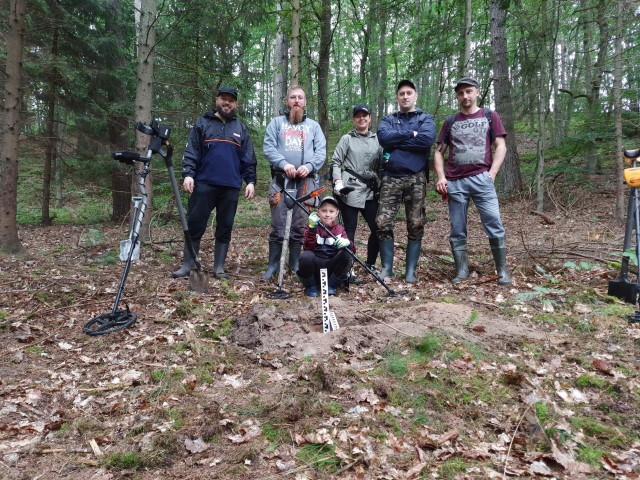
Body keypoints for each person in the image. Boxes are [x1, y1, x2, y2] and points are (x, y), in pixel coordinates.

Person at [172, 86, 257, 280]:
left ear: (235, 104)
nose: (227, 103)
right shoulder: (202, 124)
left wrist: (250, 181)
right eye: (223, 99)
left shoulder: (240, 128)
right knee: (195, 223)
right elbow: (192, 151)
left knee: (225, 226)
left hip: (231, 186)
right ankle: (188, 264)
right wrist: (188, 174)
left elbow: (248, 157)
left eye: (231, 100)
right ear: (217, 100)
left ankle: (219, 268)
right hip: (204, 183)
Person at [434, 77, 512, 285]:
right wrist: (441, 177)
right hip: (456, 182)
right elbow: (439, 152)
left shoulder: (489, 116)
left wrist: (492, 173)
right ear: (457, 97)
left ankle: (502, 271)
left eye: (469, 91)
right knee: (457, 227)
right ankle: (461, 270)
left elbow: (501, 146)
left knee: (493, 222)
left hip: (482, 179)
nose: (465, 96)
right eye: (460, 93)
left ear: (477, 92)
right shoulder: (450, 122)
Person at [261, 85, 327, 281]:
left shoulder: (314, 126)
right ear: (287, 101)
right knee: (278, 224)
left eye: (300, 97)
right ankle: (273, 265)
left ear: (305, 102)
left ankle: (295, 263)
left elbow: (321, 151)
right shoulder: (276, 123)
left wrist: (310, 165)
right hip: (282, 180)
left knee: (300, 224)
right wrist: (283, 164)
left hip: (306, 182)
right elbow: (269, 147)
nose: (296, 101)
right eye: (293, 97)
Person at [376, 80, 436, 283]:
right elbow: (384, 138)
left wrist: (398, 141)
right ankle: (386, 268)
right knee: (382, 223)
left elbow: (426, 141)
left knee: (416, 223)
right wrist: (410, 134)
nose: (405, 96)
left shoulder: (425, 119)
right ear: (397, 97)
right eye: (402, 93)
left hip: (416, 178)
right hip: (391, 177)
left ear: (415, 95)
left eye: (409, 93)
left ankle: (410, 271)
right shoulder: (388, 119)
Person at [330, 104, 382, 274]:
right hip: (350, 189)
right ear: (354, 119)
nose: (361, 118)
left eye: (364, 115)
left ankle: (370, 263)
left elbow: (382, 164)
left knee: (377, 228)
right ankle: (347, 266)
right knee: (349, 230)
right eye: (358, 116)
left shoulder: (378, 139)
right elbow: (336, 161)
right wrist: (338, 182)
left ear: (370, 118)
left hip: (370, 191)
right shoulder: (347, 139)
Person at [297, 195, 354, 297]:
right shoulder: (310, 226)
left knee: (347, 254)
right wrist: (312, 229)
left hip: (331, 268)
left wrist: (348, 243)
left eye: (331, 211)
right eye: (324, 211)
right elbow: (307, 248)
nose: (327, 214)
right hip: (315, 266)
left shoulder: (340, 229)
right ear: (318, 211)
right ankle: (311, 286)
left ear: (336, 213)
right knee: (305, 256)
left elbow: (352, 250)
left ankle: (331, 285)